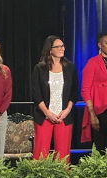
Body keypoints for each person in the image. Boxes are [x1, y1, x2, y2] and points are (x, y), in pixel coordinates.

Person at [30, 35, 78, 163]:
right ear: (50, 50)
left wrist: (67, 110)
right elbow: (36, 94)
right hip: (44, 116)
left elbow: (74, 92)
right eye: (58, 46)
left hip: (63, 116)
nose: (62, 49)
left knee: (63, 156)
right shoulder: (39, 69)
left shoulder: (69, 67)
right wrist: (47, 113)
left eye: (62, 46)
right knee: (40, 154)